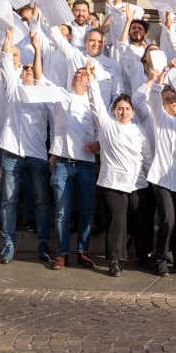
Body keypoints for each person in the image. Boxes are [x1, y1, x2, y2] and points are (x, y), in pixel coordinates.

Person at [0, 29, 53, 264]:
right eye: (24, 69)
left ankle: (43, 245)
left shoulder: (44, 94)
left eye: (30, 69)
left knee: (41, 201)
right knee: (8, 199)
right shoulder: (12, 90)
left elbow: (56, 125)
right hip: (11, 152)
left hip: (36, 154)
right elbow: (6, 63)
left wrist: (37, 49)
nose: (27, 71)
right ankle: (8, 244)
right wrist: (7, 40)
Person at [87, 72, 150, 277]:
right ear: (114, 110)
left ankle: (142, 255)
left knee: (141, 218)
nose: (123, 112)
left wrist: (149, 178)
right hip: (113, 182)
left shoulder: (139, 131)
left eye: (127, 109)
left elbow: (147, 156)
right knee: (118, 217)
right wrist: (91, 80)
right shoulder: (107, 126)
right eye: (120, 108)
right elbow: (95, 103)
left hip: (137, 182)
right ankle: (114, 259)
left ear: (132, 111)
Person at [141, 64, 176, 276]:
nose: (172, 102)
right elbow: (154, 95)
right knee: (168, 219)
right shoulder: (160, 118)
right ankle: (160, 257)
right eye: (168, 100)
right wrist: (164, 74)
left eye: (174, 99)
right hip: (162, 178)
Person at [46, 66, 100, 270]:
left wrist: (97, 145)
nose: (78, 76)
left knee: (86, 210)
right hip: (62, 161)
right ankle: (62, 253)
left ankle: (82, 251)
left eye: (83, 74)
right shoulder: (61, 96)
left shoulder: (93, 103)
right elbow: (54, 126)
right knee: (62, 210)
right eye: (76, 74)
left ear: (90, 81)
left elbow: (102, 130)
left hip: (86, 162)